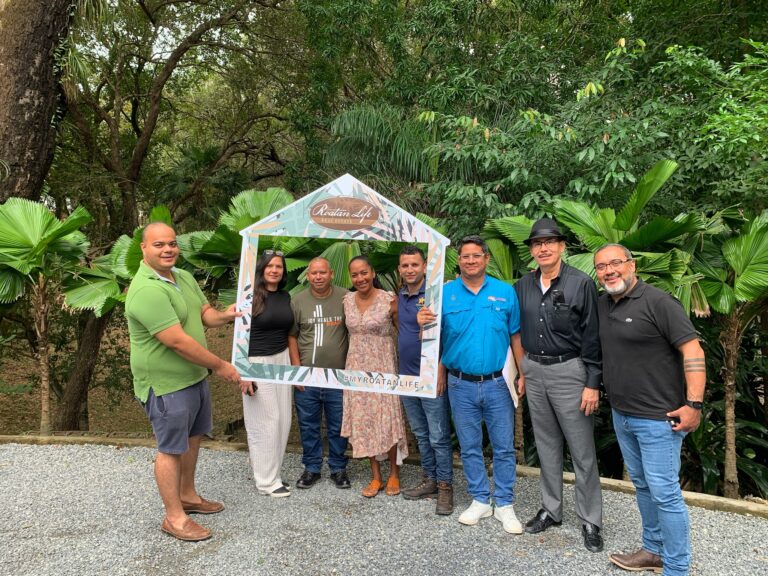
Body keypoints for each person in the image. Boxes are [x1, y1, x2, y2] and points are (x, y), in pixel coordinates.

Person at [125, 222, 242, 542]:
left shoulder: (184, 277)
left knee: (192, 438)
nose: (168, 250)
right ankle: (173, 517)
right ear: (144, 249)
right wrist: (220, 366)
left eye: (172, 244)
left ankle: (188, 496)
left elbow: (205, 315)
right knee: (170, 449)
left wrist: (226, 315)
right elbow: (176, 341)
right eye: (159, 244)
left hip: (193, 376)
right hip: (166, 384)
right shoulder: (146, 289)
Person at [595, 244, 705, 576]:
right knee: (642, 485)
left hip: (660, 419)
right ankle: (653, 550)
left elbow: (693, 351)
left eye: (616, 263)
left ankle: (677, 567)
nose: (609, 270)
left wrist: (694, 405)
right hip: (622, 414)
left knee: (664, 492)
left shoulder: (659, 302)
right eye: (601, 266)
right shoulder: (603, 304)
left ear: (632, 265)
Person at [418, 235, 525, 533]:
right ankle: (480, 498)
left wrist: (524, 373)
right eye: (465, 256)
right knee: (469, 446)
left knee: (503, 447)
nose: (470, 260)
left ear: (486, 259)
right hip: (460, 384)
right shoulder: (444, 294)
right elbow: (429, 338)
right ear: (459, 261)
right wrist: (421, 321)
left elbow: (515, 336)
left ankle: (504, 503)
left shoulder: (505, 292)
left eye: (476, 256)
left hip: (498, 383)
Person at [514, 217, 604, 552]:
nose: (544, 248)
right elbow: (516, 331)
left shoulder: (581, 283)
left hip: (571, 371)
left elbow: (593, 335)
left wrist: (592, 381)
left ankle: (591, 520)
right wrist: (522, 370)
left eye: (550, 242)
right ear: (532, 250)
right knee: (547, 445)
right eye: (537, 243)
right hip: (534, 371)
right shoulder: (522, 285)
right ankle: (551, 509)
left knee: (582, 451)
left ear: (562, 246)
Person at [341, 255, 409, 498]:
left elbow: (404, 331)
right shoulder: (347, 301)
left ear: (372, 273)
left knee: (386, 417)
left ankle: (393, 473)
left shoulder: (389, 299)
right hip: (356, 366)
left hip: (383, 364)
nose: (360, 278)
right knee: (364, 418)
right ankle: (376, 475)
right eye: (355, 274)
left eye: (364, 273)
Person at [397, 245, 454, 515]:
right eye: (405, 265)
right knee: (421, 433)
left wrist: (440, 369)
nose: (410, 269)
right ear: (400, 269)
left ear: (424, 267)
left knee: (438, 436)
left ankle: (445, 487)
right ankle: (429, 480)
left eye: (414, 265)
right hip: (406, 377)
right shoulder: (399, 297)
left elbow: (446, 335)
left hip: (430, 377)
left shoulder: (435, 296)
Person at [288, 257, 351, 490]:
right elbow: (292, 336)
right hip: (308, 376)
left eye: (322, 272)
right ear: (307, 275)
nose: (318, 277)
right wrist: (296, 369)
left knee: (338, 425)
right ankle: (312, 468)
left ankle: (338, 468)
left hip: (338, 376)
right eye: (313, 273)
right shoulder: (298, 301)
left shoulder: (346, 298)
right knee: (308, 424)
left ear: (331, 273)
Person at [244, 249, 294, 497]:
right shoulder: (250, 296)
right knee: (265, 421)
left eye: (279, 267)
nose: (275, 270)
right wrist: (244, 371)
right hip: (257, 361)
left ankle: (273, 473)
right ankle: (266, 482)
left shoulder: (285, 296)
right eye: (270, 266)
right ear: (262, 269)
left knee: (283, 420)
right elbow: (239, 337)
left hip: (282, 359)